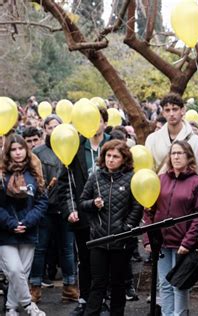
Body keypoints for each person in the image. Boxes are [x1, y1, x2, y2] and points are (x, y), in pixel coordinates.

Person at [142, 140, 198, 316]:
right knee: (164, 284)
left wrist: (188, 242)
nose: (176, 156)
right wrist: (148, 238)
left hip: (182, 244)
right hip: (162, 243)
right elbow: (148, 210)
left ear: (188, 157)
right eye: (173, 153)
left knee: (179, 284)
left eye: (180, 153)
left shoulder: (197, 183)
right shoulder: (160, 179)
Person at [79, 139, 143, 316]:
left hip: (121, 241)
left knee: (118, 283)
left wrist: (127, 227)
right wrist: (93, 203)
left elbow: (138, 206)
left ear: (124, 159)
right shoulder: (96, 177)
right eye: (108, 155)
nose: (111, 159)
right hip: (98, 240)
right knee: (97, 283)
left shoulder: (132, 178)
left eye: (116, 156)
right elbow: (82, 203)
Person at [57, 108, 110, 316]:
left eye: (98, 120)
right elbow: (65, 184)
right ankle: (84, 299)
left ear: (105, 122)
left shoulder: (113, 145)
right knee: (85, 260)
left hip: (108, 215)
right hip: (83, 215)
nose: (93, 124)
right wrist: (70, 209)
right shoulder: (75, 147)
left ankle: (103, 299)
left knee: (105, 260)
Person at [30, 115, 79, 303]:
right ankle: (35, 287)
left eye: (56, 126)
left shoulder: (70, 149)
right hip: (44, 209)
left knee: (67, 249)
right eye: (49, 127)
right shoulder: (38, 152)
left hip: (66, 208)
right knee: (39, 248)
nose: (53, 130)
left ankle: (70, 287)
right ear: (45, 130)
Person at [0, 135, 47, 316]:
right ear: (8, 152)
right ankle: (28, 304)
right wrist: (12, 223)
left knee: (21, 273)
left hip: (29, 230)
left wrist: (26, 222)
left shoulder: (34, 172)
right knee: (14, 269)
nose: (18, 152)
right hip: (6, 232)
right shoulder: (2, 173)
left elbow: (42, 201)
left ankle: (11, 308)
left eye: (21, 148)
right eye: (13, 149)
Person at [145, 93, 198, 180]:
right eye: (167, 110)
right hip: (159, 190)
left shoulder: (195, 141)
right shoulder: (152, 139)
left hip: (186, 191)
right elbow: (148, 172)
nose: (171, 114)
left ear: (183, 110)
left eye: (175, 109)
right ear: (162, 112)